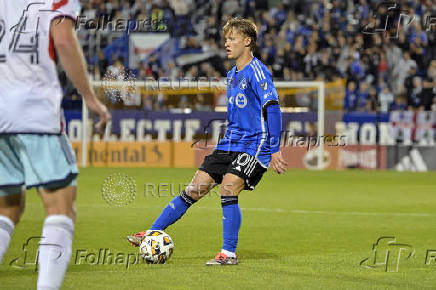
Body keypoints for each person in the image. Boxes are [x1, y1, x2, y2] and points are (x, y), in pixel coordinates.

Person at [127, 17, 288, 266]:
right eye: (226, 38)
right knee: (194, 189)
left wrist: (274, 148)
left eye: (232, 38)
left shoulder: (258, 71)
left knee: (228, 186)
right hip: (229, 144)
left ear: (247, 41)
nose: (227, 43)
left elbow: (273, 109)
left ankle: (228, 253)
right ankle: (151, 233)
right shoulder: (231, 74)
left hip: (255, 145)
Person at [0, 1, 110, 289]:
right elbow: (63, 39)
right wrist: (89, 97)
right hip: (33, 110)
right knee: (60, 205)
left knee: (8, 206)